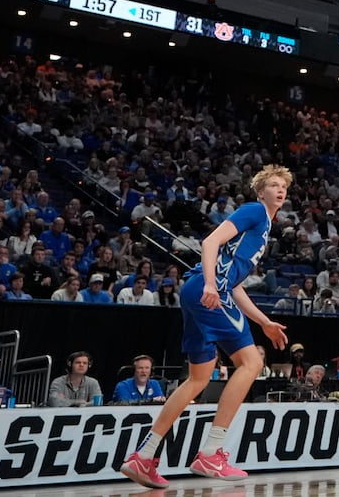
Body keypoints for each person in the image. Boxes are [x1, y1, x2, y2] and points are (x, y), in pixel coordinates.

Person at [120, 165, 292, 487]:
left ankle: (144, 456)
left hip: (198, 291)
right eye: (272, 184)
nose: (280, 189)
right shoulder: (254, 210)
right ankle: (212, 451)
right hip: (207, 290)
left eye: (283, 185)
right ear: (260, 191)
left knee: (198, 378)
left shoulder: (263, 227)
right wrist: (212, 285)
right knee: (252, 362)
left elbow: (236, 284)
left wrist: (264, 321)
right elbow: (210, 242)